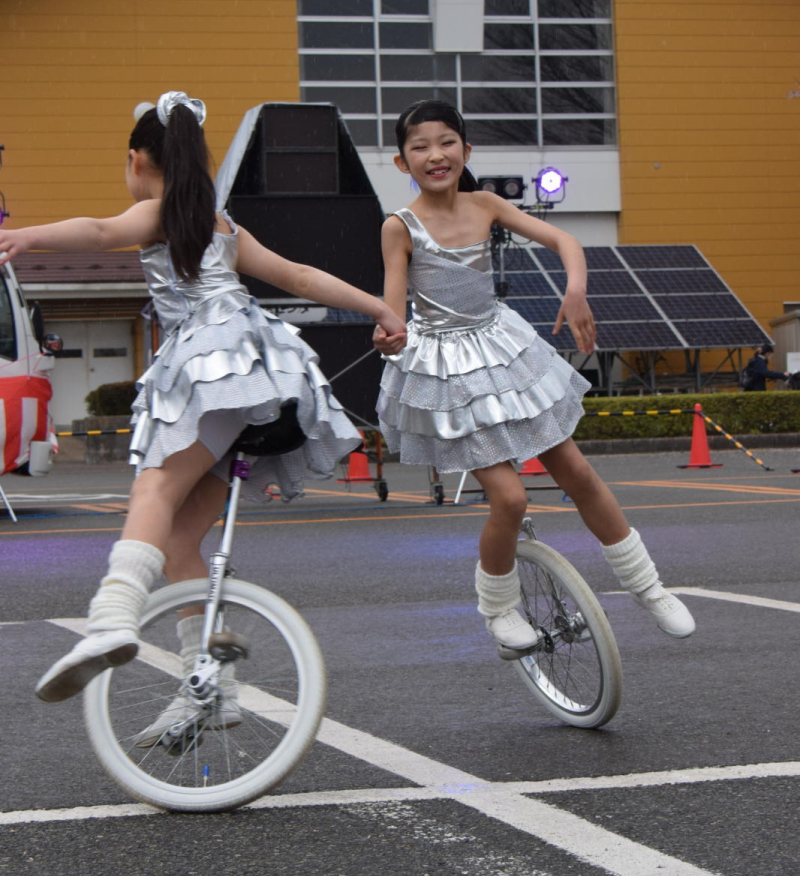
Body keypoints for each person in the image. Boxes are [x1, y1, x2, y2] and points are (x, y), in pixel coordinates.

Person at [0, 91, 405, 714]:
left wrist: (22, 237)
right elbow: (298, 276)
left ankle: (111, 616)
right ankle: (209, 687)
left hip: (212, 366)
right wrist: (379, 306)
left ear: (138, 160)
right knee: (177, 544)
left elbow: (100, 230)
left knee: (153, 492)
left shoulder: (163, 213)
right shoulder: (221, 225)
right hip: (260, 377)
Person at [373, 99, 695, 656]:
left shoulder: (488, 203)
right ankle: (498, 609)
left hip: (504, 348)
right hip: (449, 369)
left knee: (578, 471)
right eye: (420, 146)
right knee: (511, 498)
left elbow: (565, 241)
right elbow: (393, 305)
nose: (435, 154)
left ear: (466, 151)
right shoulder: (399, 226)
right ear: (402, 163)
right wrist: (389, 333)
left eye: (446, 141)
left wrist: (575, 291)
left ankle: (649, 587)